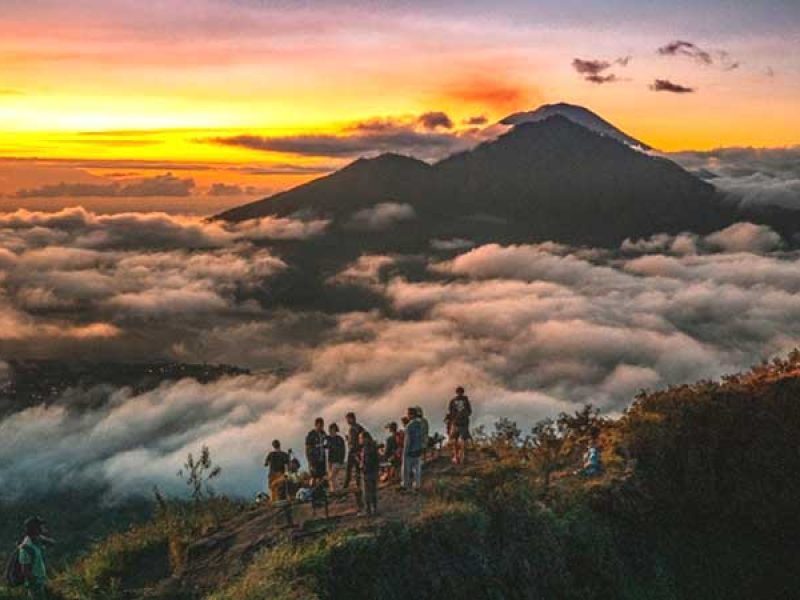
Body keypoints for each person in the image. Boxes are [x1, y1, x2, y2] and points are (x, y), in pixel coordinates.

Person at [18, 516, 54, 600]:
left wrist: (42, 537)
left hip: (41, 582)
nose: (42, 527)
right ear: (34, 529)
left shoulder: (36, 541)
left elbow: (52, 543)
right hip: (36, 586)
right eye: (40, 526)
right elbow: (25, 570)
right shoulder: (26, 547)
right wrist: (35, 583)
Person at [446, 386, 473, 465]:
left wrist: (451, 420)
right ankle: (464, 457)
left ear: (456, 392)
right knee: (464, 440)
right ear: (463, 392)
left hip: (455, 423)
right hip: (464, 423)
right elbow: (470, 412)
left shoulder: (453, 401)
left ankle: (456, 457)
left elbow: (450, 412)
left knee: (455, 440)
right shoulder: (466, 401)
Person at [402, 407, 424, 492]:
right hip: (418, 450)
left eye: (408, 414)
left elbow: (408, 441)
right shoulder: (419, 424)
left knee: (406, 470)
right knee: (417, 470)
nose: (407, 415)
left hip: (410, 451)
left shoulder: (409, 426)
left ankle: (405, 485)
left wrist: (405, 452)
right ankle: (417, 485)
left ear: (411, 415)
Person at [359, 430, 380, 516]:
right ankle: (374, 509)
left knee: (366, 493)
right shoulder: (373, 446)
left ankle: (367, 511)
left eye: (360, 438)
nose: (359, 440)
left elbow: (366, 462)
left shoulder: (366, 449)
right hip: (374, 472)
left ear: (365, 438)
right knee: (373, 492)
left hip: (367, 473)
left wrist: (361, 465)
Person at [305, 417, 328, 486]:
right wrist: (309, 461)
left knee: (321, 476)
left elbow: (327, 443)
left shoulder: (323, 433)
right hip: (314, 460)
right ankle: (311, 491)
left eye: (322, 425)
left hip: (322, 459)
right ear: (316, 425)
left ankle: (320, 492)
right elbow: (307, 448)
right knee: (313, 476)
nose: (321, 427)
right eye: (320, 425)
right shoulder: (311, 434)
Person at [326, 423, 346, 492]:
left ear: (334, 429)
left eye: (331, 429)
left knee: (332, 477)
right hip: (330, 461)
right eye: (329, 429)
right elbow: (325, 446)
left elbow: (343, 450)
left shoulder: (339, 439)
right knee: (331, 478)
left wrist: (341, 460)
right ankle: (334, 492)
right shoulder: (328, 438)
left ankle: (339, 492)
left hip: (337, 460)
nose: (330, 431)